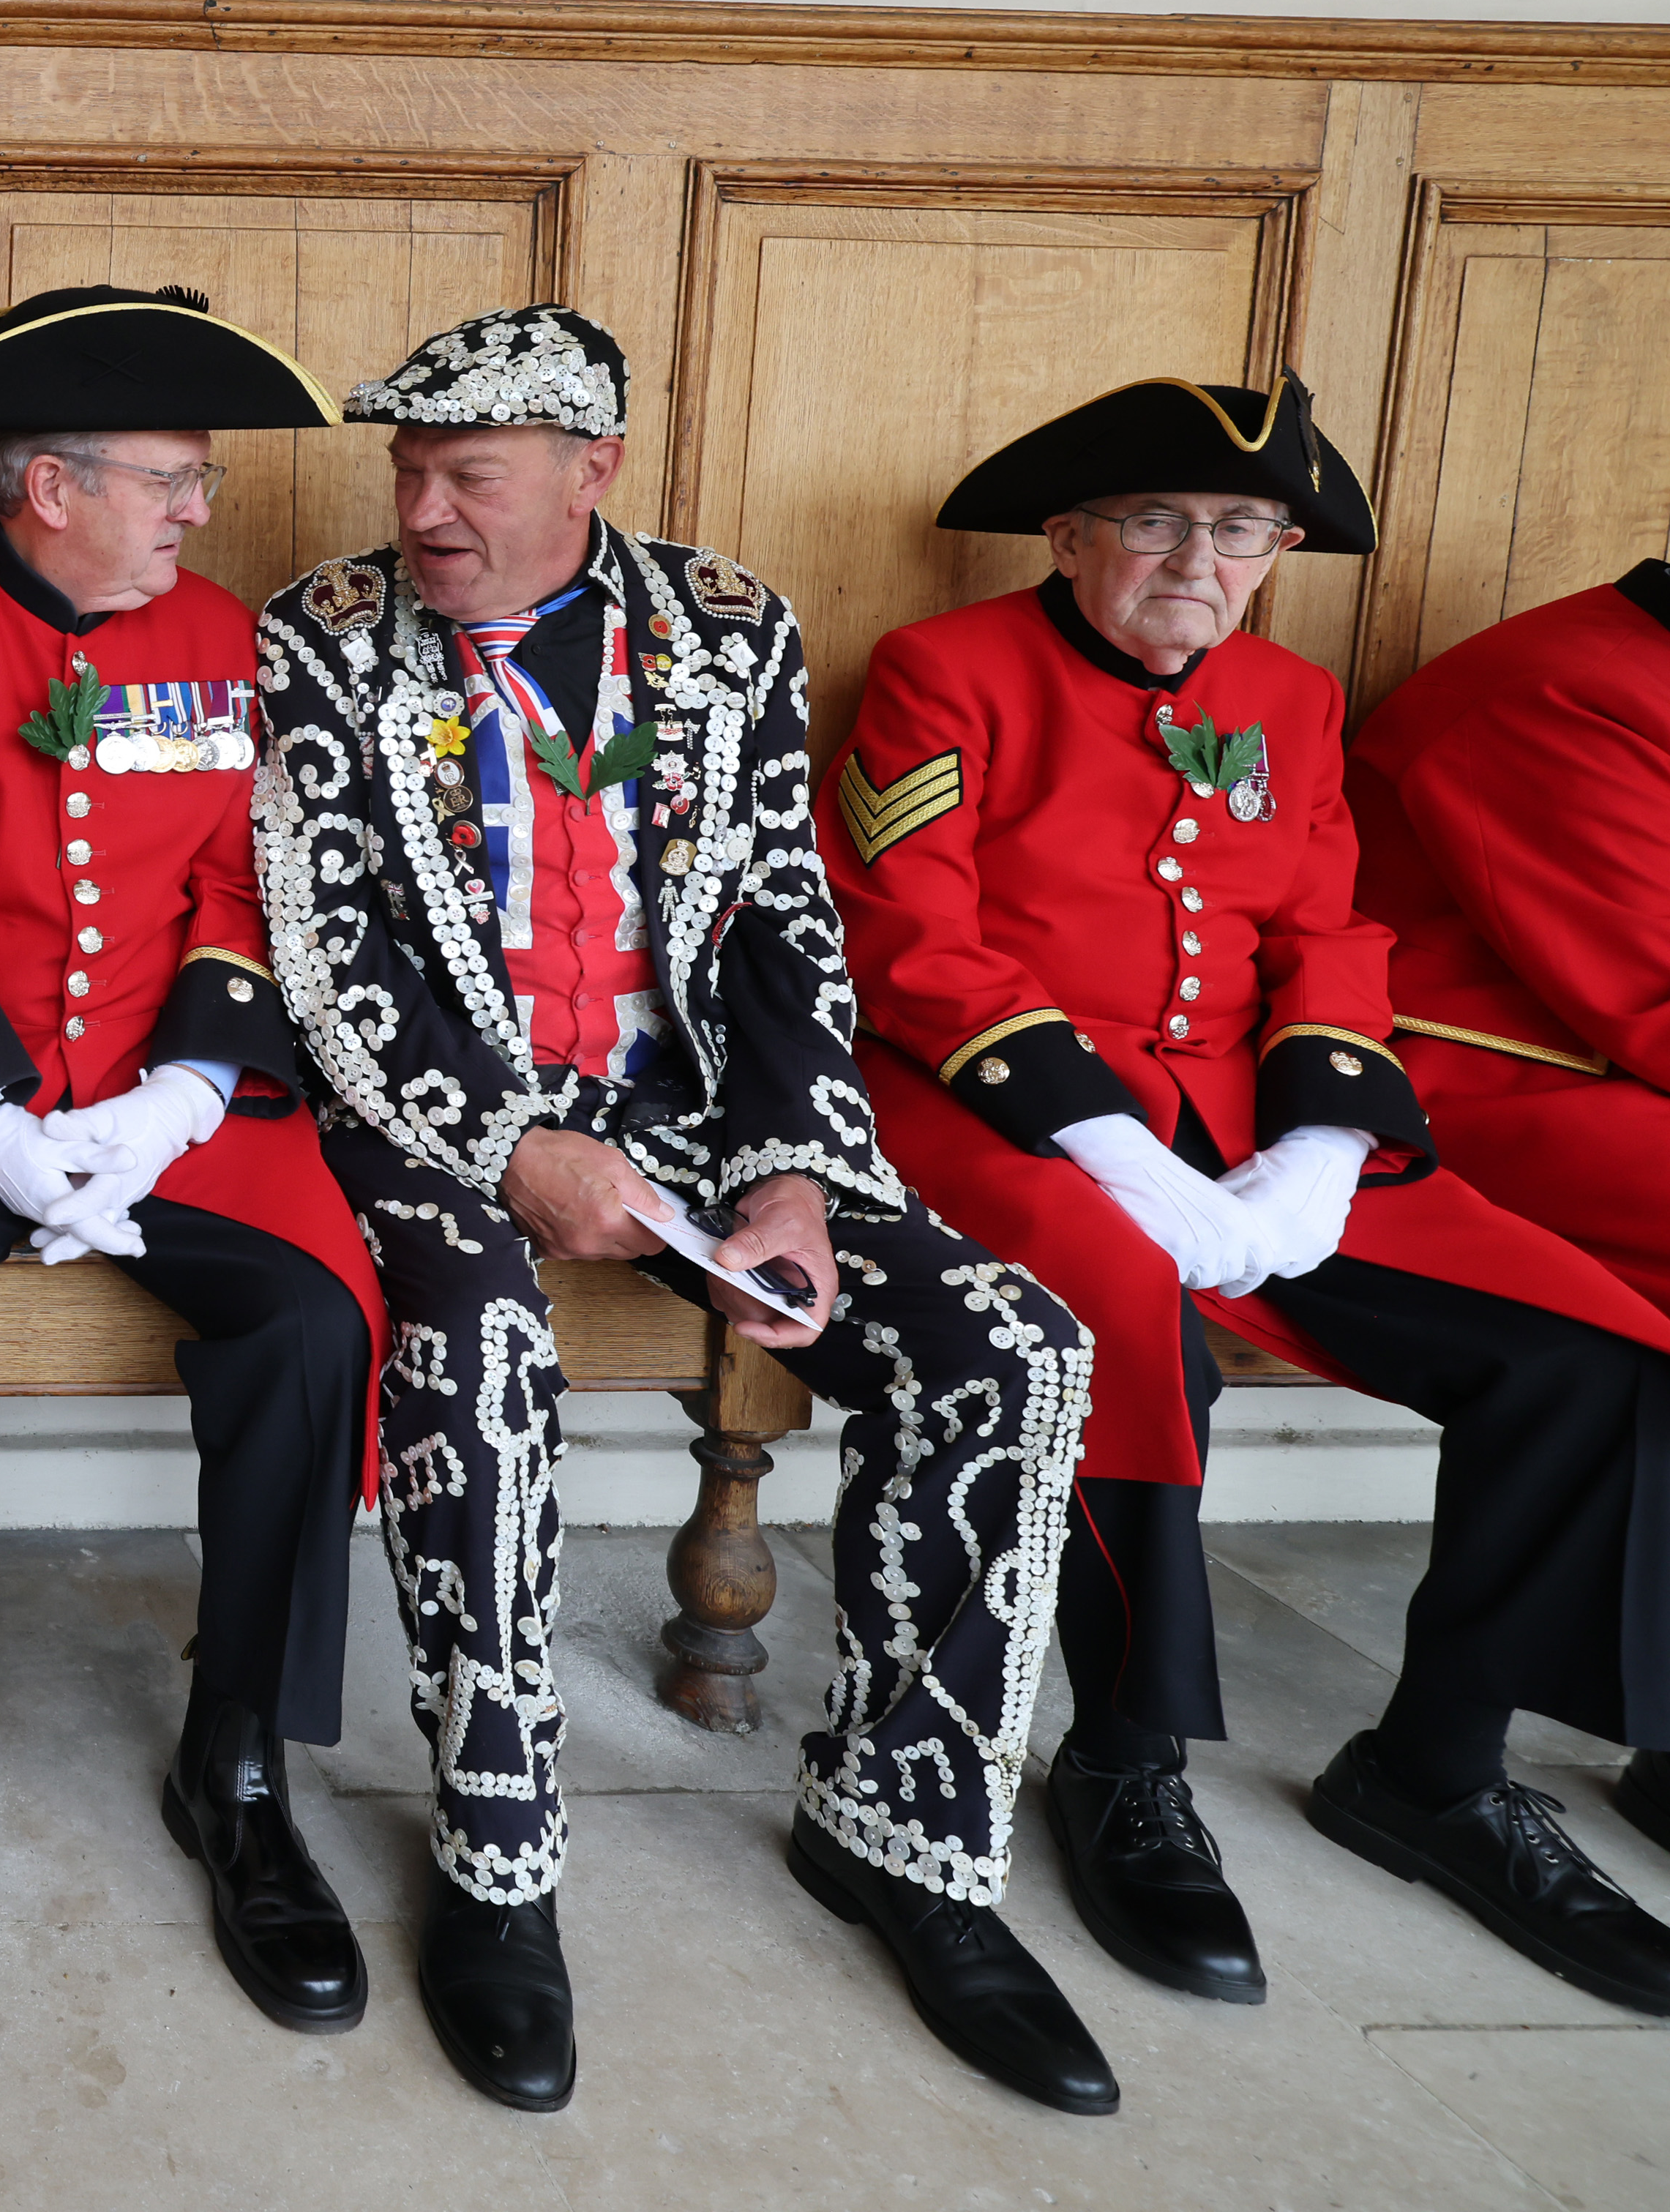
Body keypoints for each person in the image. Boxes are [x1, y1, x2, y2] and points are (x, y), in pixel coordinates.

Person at [257, 306, 1108, 2115]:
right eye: (406, 471)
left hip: (705, 1106)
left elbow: (785, 911)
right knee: (478, 1347)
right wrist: (510, 1141)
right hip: (439, 1114)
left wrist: (793, 1159)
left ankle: (899, 1822)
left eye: (468, 475)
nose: (422, 510)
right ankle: (497, 1852)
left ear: (594, 468)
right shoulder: (320, 634)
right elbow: (327, 951)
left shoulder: (729, 626)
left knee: (1011, 1350)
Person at [823, 373, 1670, 2019]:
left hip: (1248, 1117)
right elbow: (908, 940)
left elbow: (1329, 937)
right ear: (1067, 537)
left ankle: (1434, 1770)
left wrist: (1323, 1143)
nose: (1195, 562)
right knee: (1134, 1346)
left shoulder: (1288, 695)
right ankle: (1125, 1763)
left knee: (1589, 1356)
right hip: (1002, 1111)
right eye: (1153, 520)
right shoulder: (947, 671)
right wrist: (1112, 1147)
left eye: (1239, 530)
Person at [0, 285, 381, 2033]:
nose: (199, 508)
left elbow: (245, 878)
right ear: (50, 485)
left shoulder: (226, 638)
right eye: (171, 478)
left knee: (314, 1322)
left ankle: (237, 1762)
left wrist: (182, 1093)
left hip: (157, 1088)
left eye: (199, 480)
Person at [1349, 560, 1670, 1855]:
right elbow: (1644, 987)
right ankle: (1442, 1761)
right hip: (1466, 1079)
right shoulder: (1559, 689)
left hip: (1600, 1069)